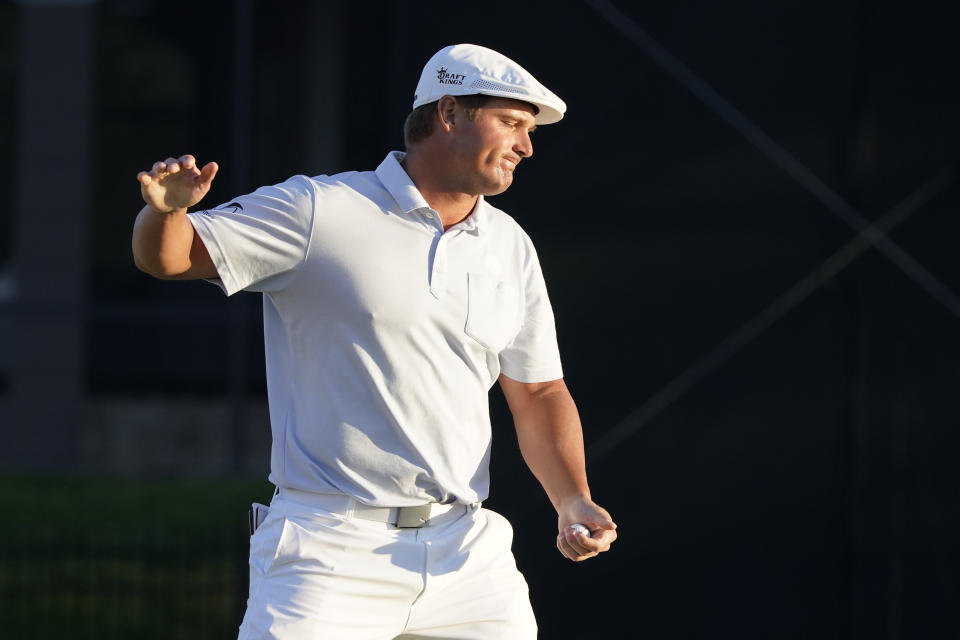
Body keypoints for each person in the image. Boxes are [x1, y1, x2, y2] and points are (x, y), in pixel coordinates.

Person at [132, 43, 617, 639]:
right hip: (328, 549)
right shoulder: (318, 209)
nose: (527, 145)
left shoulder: (509, 243)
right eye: (511, 123)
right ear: (450, 113)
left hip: (468, 552)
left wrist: (572, 499)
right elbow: (171, 259)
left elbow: (539, 391)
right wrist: (165, 213)